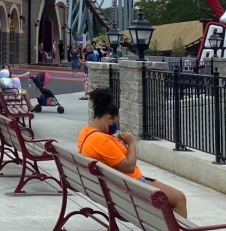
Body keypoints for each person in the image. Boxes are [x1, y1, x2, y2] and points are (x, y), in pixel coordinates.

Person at [79, 87, 187, 218]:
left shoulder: (86, 132)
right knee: (179, 199)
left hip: (113, 188)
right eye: (115, 122)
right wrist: (131, 143)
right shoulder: (101, 140)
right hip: (129, 189)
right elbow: (129, 167)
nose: (116, 126)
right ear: (109, 118)